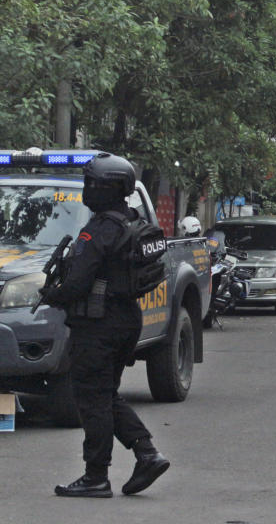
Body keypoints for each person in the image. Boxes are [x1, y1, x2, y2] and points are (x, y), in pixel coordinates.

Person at [46, 152, 169, 498]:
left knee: (91, 397)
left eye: (91, 183)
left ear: (105, 188)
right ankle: (146, 453)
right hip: (125, 320)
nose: (87, 189)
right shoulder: (131, 222)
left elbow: (77, 283)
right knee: (105, 394)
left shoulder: (100, 229)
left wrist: (54, 295)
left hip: (98, 325)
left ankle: (96, 476)